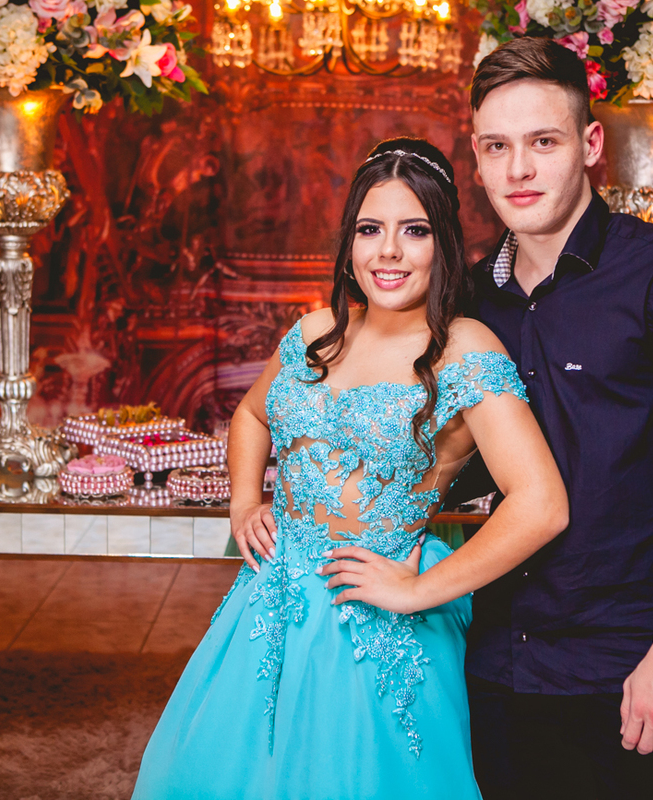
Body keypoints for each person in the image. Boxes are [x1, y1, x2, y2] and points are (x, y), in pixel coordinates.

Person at [131, 137, 569, 800]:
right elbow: (251, 416)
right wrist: (244, 502)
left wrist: (421, 589)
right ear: (350, 242)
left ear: (444, 244)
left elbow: (541, 503)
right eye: (370, 229)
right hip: (269, 602)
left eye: (414, 231)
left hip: (373, 622)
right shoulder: (315, 334)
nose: (388, 251)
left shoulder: (464, 348)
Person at [451, 38, 653, 800]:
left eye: (543, 142)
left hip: (629, 674)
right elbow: (450, 464)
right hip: (495, 670)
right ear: (477, 158)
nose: (518, 170)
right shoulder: (468, 301)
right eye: (497, 147)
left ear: (591, 145)